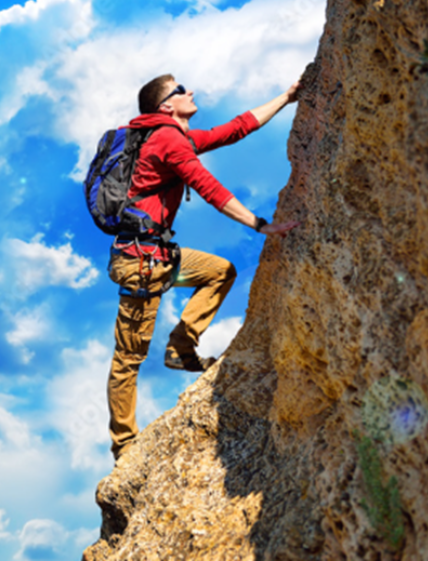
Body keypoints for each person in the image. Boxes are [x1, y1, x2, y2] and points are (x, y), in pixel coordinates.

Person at [107, 74, 301, 461]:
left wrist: (287, 96)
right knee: (127, 360)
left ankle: (181, 347)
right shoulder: (166, 139)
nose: (190, 91)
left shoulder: (166, 136)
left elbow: (233, 130)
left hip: (157, 256)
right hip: (141, 262)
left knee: (220, 271)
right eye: (181, 90)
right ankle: (124, 446)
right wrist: (260, 224)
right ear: (166, 106)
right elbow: (208, 187)